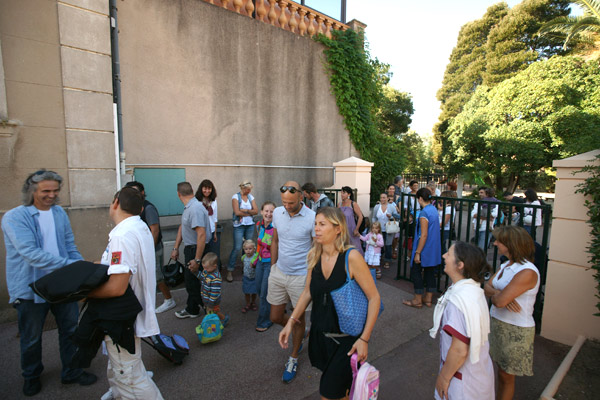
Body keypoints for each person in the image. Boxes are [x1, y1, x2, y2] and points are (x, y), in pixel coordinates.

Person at [2, 170, 97, 396]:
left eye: (55, 190)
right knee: (31, 337)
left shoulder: (59, 214)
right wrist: (71, 266)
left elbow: (69, 245)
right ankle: (31, 376)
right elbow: (30, 254)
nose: (52, 195)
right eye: (46, 191)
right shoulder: (15, 217)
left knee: (70, 330)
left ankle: (71, 372)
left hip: (62, 286)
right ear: (31, 190)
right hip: (29, 288)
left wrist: (80, 269)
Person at [278, 207, 380, 400]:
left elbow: (374, 297)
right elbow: (308, 292)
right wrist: (291, 322)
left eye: (322, 224)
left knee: (328, 393)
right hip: (321, 337)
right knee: (341, 392)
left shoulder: (351, 257)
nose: (316, 228)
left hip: (347, 340)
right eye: (315, 224)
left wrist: (364, 339)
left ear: (338, 228)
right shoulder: (313, 255)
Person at [89, 187, 162, 400]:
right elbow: (120, 265)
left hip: (121, 315)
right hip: (130, 311)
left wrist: (84, 293)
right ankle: (119, 391)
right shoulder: (140, 227)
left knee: (130, 376)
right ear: (140, 209)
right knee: (120, 365)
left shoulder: (122, 235)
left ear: (115, 204)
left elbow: (117, 287)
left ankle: (125, 390)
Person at [430, 242, 494, 400]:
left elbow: (459, 350)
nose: (444, 256)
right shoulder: (473, 291)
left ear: (460, 265)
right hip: (478, 375)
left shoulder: (458, 301)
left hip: (463, 384)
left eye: (449, 254)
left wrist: (444, 377)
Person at [268, 181, 316, 383]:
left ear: (301, 198)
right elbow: (275, 240)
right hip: (279, 272)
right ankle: (299, 332)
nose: (287, 206)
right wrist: (272, 265)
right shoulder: (278, 213)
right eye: (284, 202)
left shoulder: (312, 218)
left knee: (298, 320)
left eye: (291, 203)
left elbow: (316, 250)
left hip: (300, 277)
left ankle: (294, 356)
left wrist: (310, 278)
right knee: (275, 316)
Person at [485, 226, 540, 400]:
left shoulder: (527, 271)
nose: (495, 243)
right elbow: (487, 288)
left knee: (506, 376)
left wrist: (499, 297)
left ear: (510, 244)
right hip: (498, 322)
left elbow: (499, 301)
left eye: (499, 241)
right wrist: (500, 294)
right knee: (499, 371)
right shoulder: (506, 265)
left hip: (515, 329)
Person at [124, 181, 176, 314]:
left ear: (142, 193)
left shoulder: (148, 208)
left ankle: (169, 300)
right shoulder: (134, 208)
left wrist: (148, 251)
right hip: (140, 250)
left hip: (153, 249)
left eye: (135, 192)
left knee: (157, 276)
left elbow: (155, 230)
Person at [171, 182, 212, 319]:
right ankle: (192, 309)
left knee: (193, 284)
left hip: (196, 250)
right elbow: (182, 227)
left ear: (178, 194)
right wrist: (176, 248)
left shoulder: (195, 208)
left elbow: (201, 234)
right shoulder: (189, 207)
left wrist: (197, 259)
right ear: (192, 191)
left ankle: (212, 312)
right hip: (191, 248)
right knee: (191, 282)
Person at [403, 188, 441, 308]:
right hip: (433, 247)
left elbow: (423, 234)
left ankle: (417, 299)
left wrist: (418, 252)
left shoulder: (424, 213)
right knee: (430, 272)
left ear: (420, 198)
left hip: (424, 247)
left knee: (416, 271)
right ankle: (428, 299)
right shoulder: (433, 209)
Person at [227, 181, 258, 282]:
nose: (249, 191)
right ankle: (230, 270)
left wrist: (244, 211)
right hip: (239, 225)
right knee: (237, 247)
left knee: (248, 247)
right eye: (247, 189)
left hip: (250, 225)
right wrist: (250, 212)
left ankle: (246, 268)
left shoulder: (251, 197)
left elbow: (256, 211)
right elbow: (236, 212)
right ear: (242, 188)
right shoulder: (235, 197)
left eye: (250, 189)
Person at [255, 201, 275, 332]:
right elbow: (259, 244)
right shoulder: (259, 225)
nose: (268, 214)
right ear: (261, 212)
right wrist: (256, 258)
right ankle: (276, 306)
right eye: (266, 211)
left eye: (271, 211)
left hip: (270, 262)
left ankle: (265, 321)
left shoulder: (276, 228)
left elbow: (275, 247)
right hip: (260, 261)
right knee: (258, 287)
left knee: (264, 293)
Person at [198, 252, 229, 326]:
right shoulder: (207, 271)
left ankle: (222, 320)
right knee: (211, 312)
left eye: (206, 268)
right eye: (203, 267)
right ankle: (216, 321)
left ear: (214, 266)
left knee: (213, 312)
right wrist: (196, 272)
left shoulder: (216, 278)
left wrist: (211, 304)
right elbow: (202, 277)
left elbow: (214, 293)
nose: (204, 269)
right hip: (207, 299)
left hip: (212, 301)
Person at [196, 179, 220, 265]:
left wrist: (215, 233)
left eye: (209, 189)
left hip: (211, 230)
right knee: (200, 253)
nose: (207, 191)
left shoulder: (214, 201)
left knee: (209, 254)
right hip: (200, 230)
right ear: (201, 189)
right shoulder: (197, 201)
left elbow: (215, 217)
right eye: (205, 188)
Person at [338, 186, 364, 256]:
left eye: (344, 193)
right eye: (341, 193)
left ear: (349, 194)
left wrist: (356, 229)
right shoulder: (339, 204)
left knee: (354, 247)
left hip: (351, 229)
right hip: (341, 230)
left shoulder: (353, 204)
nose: (342, 194)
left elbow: (360, 216)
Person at [372, 192, 393, 269]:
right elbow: (374, 217)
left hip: (389, 229)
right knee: (379, 244)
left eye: (384, 197)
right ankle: (379, 257)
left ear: (387, 198)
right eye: (381, 197)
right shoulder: (377, 207)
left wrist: (391, 216)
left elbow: (398, 216)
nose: (382, 199)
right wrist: (374, 224)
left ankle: (387, 260)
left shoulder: (391, 207)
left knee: (388, 245)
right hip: (379, 229)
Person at [241, 239, 259, 313]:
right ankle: (248, 303)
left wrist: (254, 265)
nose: (248, 251)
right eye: (246, 249)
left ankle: (253, 302)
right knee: (246, 291)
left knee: (254, 291)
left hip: (254, 278)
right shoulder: (243, 257)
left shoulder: (256, 257)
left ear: (254, 249)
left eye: (250, 249)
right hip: (246, 277)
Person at [438, 190, 456, 254]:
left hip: (444, 230)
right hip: (441, 229)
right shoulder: (446, 207)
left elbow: (444, 223)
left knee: (441, 248)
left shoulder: (449, 209)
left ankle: (443, 262)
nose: (441, 199)